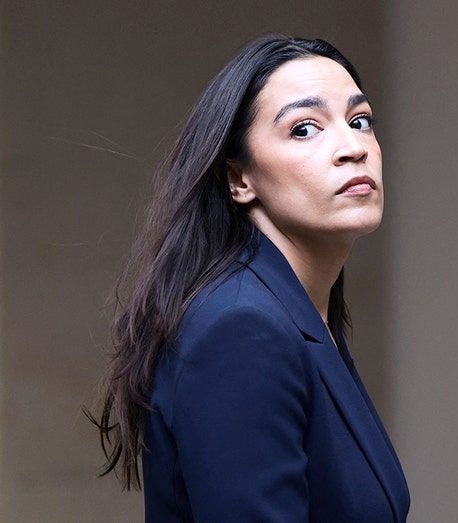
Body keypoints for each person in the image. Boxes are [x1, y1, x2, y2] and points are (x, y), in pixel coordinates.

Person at [88, 35, 410, 521]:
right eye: (305, 128)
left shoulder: (301, 317)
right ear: (239, 179)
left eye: (359, 121)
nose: (352, 147)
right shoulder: (243, 329)